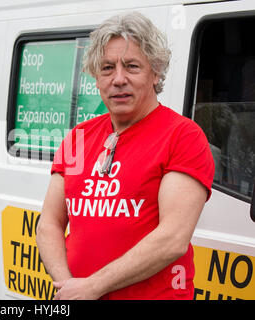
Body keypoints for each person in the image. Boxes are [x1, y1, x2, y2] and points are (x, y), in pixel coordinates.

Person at [36, 11, 215, 300]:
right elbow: (49, 223)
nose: (118, 79)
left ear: (155, 73)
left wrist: (91, 287)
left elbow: (173, 239)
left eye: (132, 66)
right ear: (96, 78)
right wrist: (68, 287)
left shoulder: (183, 136)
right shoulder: (78, 137)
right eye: (107, 68)